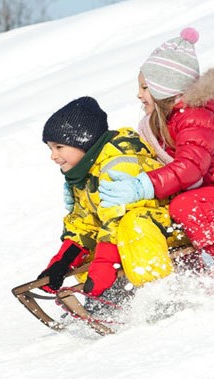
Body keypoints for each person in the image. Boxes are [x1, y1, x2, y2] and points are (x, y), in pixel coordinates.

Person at [98, 28, 214, 273]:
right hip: (205, 197)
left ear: (164, 88)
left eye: (145, 88)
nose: (139, 95)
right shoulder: (162, 122)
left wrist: (142, 186)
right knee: (164, 211)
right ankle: (192, 274)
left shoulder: (196, 117)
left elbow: (191, 168)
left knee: (183, 206)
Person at [37, 96, 188, 297]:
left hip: (168, 227)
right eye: (50, 148)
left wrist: (104, 266)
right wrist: (61, 264)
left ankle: (159, 292)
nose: (53, 156)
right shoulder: (83, 174)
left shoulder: (117, 164)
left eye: (59, 147)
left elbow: (118, 219)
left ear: (83, 140)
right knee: (89, 249)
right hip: (131, 234)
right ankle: (110, 296)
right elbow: (84, 224)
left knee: (132, 225)